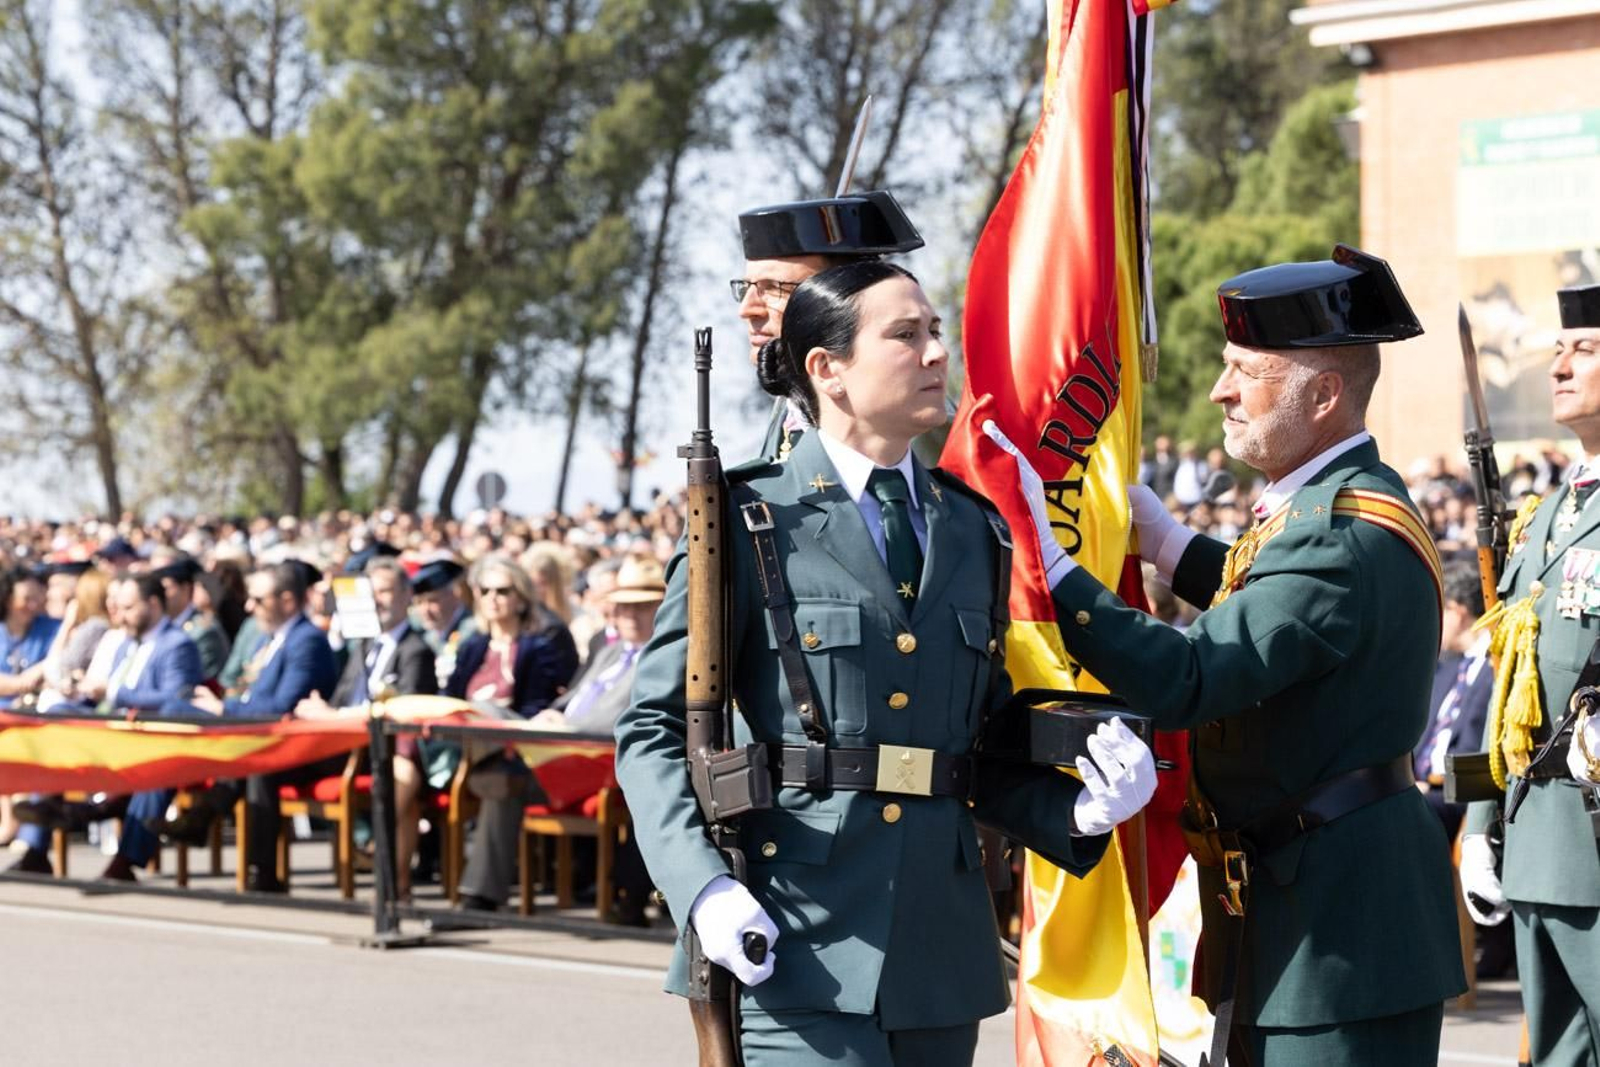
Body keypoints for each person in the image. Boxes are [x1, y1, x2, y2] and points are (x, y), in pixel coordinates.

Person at [616, 261, 1155, 1065]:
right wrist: (702, 888)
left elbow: (972, 743)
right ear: (826, 369)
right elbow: (652, 727)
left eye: (936, 332)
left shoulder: (973, 529)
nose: (937, 352)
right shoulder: (749, 517)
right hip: (796, 938)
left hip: (937, 954)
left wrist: (1075, 808)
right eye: (906, 334)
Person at [986, 245, 1465, 1065]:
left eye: (1247, 371)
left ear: (1323, 393)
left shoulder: (1337, 534)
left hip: (1336, 933)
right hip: (1308, 906)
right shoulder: (1328, 508)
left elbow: (1193, 676)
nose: (1220, 391)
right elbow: (1278, 611)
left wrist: (1054, 568)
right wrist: (1170, 545)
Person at [1468, 281, 1600, 1065]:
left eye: (1583, 350)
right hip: (1538, 838)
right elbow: (1509, 669)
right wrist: (1484, 825)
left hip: (1594, 833)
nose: (1559, 366)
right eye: (1557, 350)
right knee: (1555, 1054)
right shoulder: (1548, 514)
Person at [179, 560, 339, 892]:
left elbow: (282, 706)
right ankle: (206, 819)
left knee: (259, 764)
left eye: (259, 599)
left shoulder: (305, 640)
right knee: (247, 755)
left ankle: (258, 867)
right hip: (269, 740)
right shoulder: (269, 639)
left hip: (312, 748)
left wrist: (225, 708)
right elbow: (247, 689)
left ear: (288, 601)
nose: (250, 607)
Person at [736, 190, 924, 461]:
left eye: (772, 289)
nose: (747, 310)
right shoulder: (789, 413)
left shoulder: (908, 416)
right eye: (746, 288)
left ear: (839, 297)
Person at [295, 556, 436, 899]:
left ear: (406, 596)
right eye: (372, 593)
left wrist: (332, 716)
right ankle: (391, 881)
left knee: (404, 786)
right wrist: (322, 710)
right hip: (344, 745)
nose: (377, 600)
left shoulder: (415, 650)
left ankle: (387, 874)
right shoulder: (366, 645)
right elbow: (342, 698)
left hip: (390, 749)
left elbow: (402, 711)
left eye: (386, 592)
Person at [449, 553, 579, 911]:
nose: (492, 598)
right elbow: (449, 701)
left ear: (521, 598)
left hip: (520, 752)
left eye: (502, 590)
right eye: (484, 590)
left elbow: (534, 712)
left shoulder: (539, 647)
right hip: (462, 749)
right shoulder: (471, 646)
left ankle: (478, 897)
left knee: (500, 777)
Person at [91, 574, 205, 882]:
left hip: (160, 740)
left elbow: (175, 699)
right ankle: (63, 818)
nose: (120, 615)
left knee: (156, 768)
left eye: (128, 607)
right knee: (59, 715)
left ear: (153, 604)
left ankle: (124, 856)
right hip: (117, 733)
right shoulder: (125, 644)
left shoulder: (177, 644)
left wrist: (116, 694)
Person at [0, 568, 61, 708]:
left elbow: (59, 660)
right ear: (8, 599)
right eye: (26, 599)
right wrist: (23, 682)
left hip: (34, 715)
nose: (33, 605)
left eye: (36, 598)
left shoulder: (52, 629)